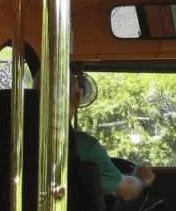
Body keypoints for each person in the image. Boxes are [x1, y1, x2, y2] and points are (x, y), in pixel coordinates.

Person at [36, 72, 156, 207]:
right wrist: (140, 179)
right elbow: (126, 191)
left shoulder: (17, 141)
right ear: (78, 98)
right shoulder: (81, 145)